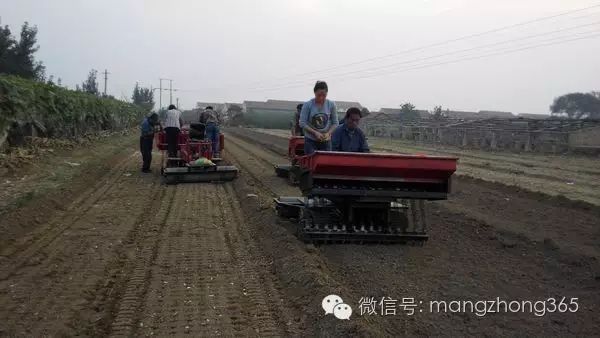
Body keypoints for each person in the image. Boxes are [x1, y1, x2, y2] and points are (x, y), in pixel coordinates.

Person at [299, 81, 339, 154]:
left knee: (326, 161)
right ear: (315, 93)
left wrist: (328, 133)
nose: (321, 98)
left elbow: (335, 123)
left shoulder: (331, 105)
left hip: (326, 140)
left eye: (324, 95)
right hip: (311, 140)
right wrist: (315, 133)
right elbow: (302, 123)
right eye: (319, 95)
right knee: (312, 161)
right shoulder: (308, 105)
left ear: (327, 93)